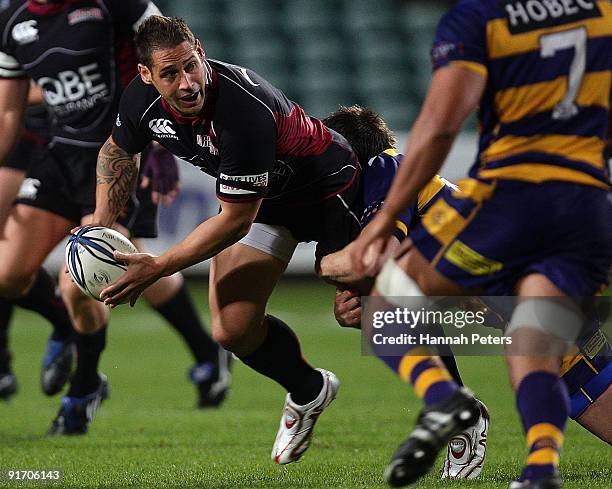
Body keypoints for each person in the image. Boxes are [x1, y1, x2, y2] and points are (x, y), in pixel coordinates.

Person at [349, 1, 612, 487]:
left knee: (385, 304)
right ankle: (539, 471)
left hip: (509, 196)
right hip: (588, 205)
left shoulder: (480, 16)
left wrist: (383, 220)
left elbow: (441, 125)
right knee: (539, 342)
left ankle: (446, 400)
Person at [89, 15, 362, 464]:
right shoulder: (140, 101)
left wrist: (157, 267)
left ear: (199, 49)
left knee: (359, 310)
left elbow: (235, 221)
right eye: (170, 74)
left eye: (191, 65)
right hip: (271, 203)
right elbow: (118, 149)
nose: (187, 83)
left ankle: (462, 395)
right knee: (232, 329)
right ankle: (310, 390)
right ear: (145, 75)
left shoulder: (240, 110)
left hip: (329, 190)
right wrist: (102, 226)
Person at [322, 105, 612, 450]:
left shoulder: (389, 172)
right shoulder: (399, 189)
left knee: (580, 381)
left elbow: (382, 265)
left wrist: (342, 281)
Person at [0, 0, 229, 434]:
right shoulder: (10, 20)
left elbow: (173, 57)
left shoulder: (116, 5)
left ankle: (84, 388)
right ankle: (201, 350)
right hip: (60, 153)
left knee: (81, 281)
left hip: (119, 157)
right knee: (7, 274)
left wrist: (163, 141)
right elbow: (9, 113)